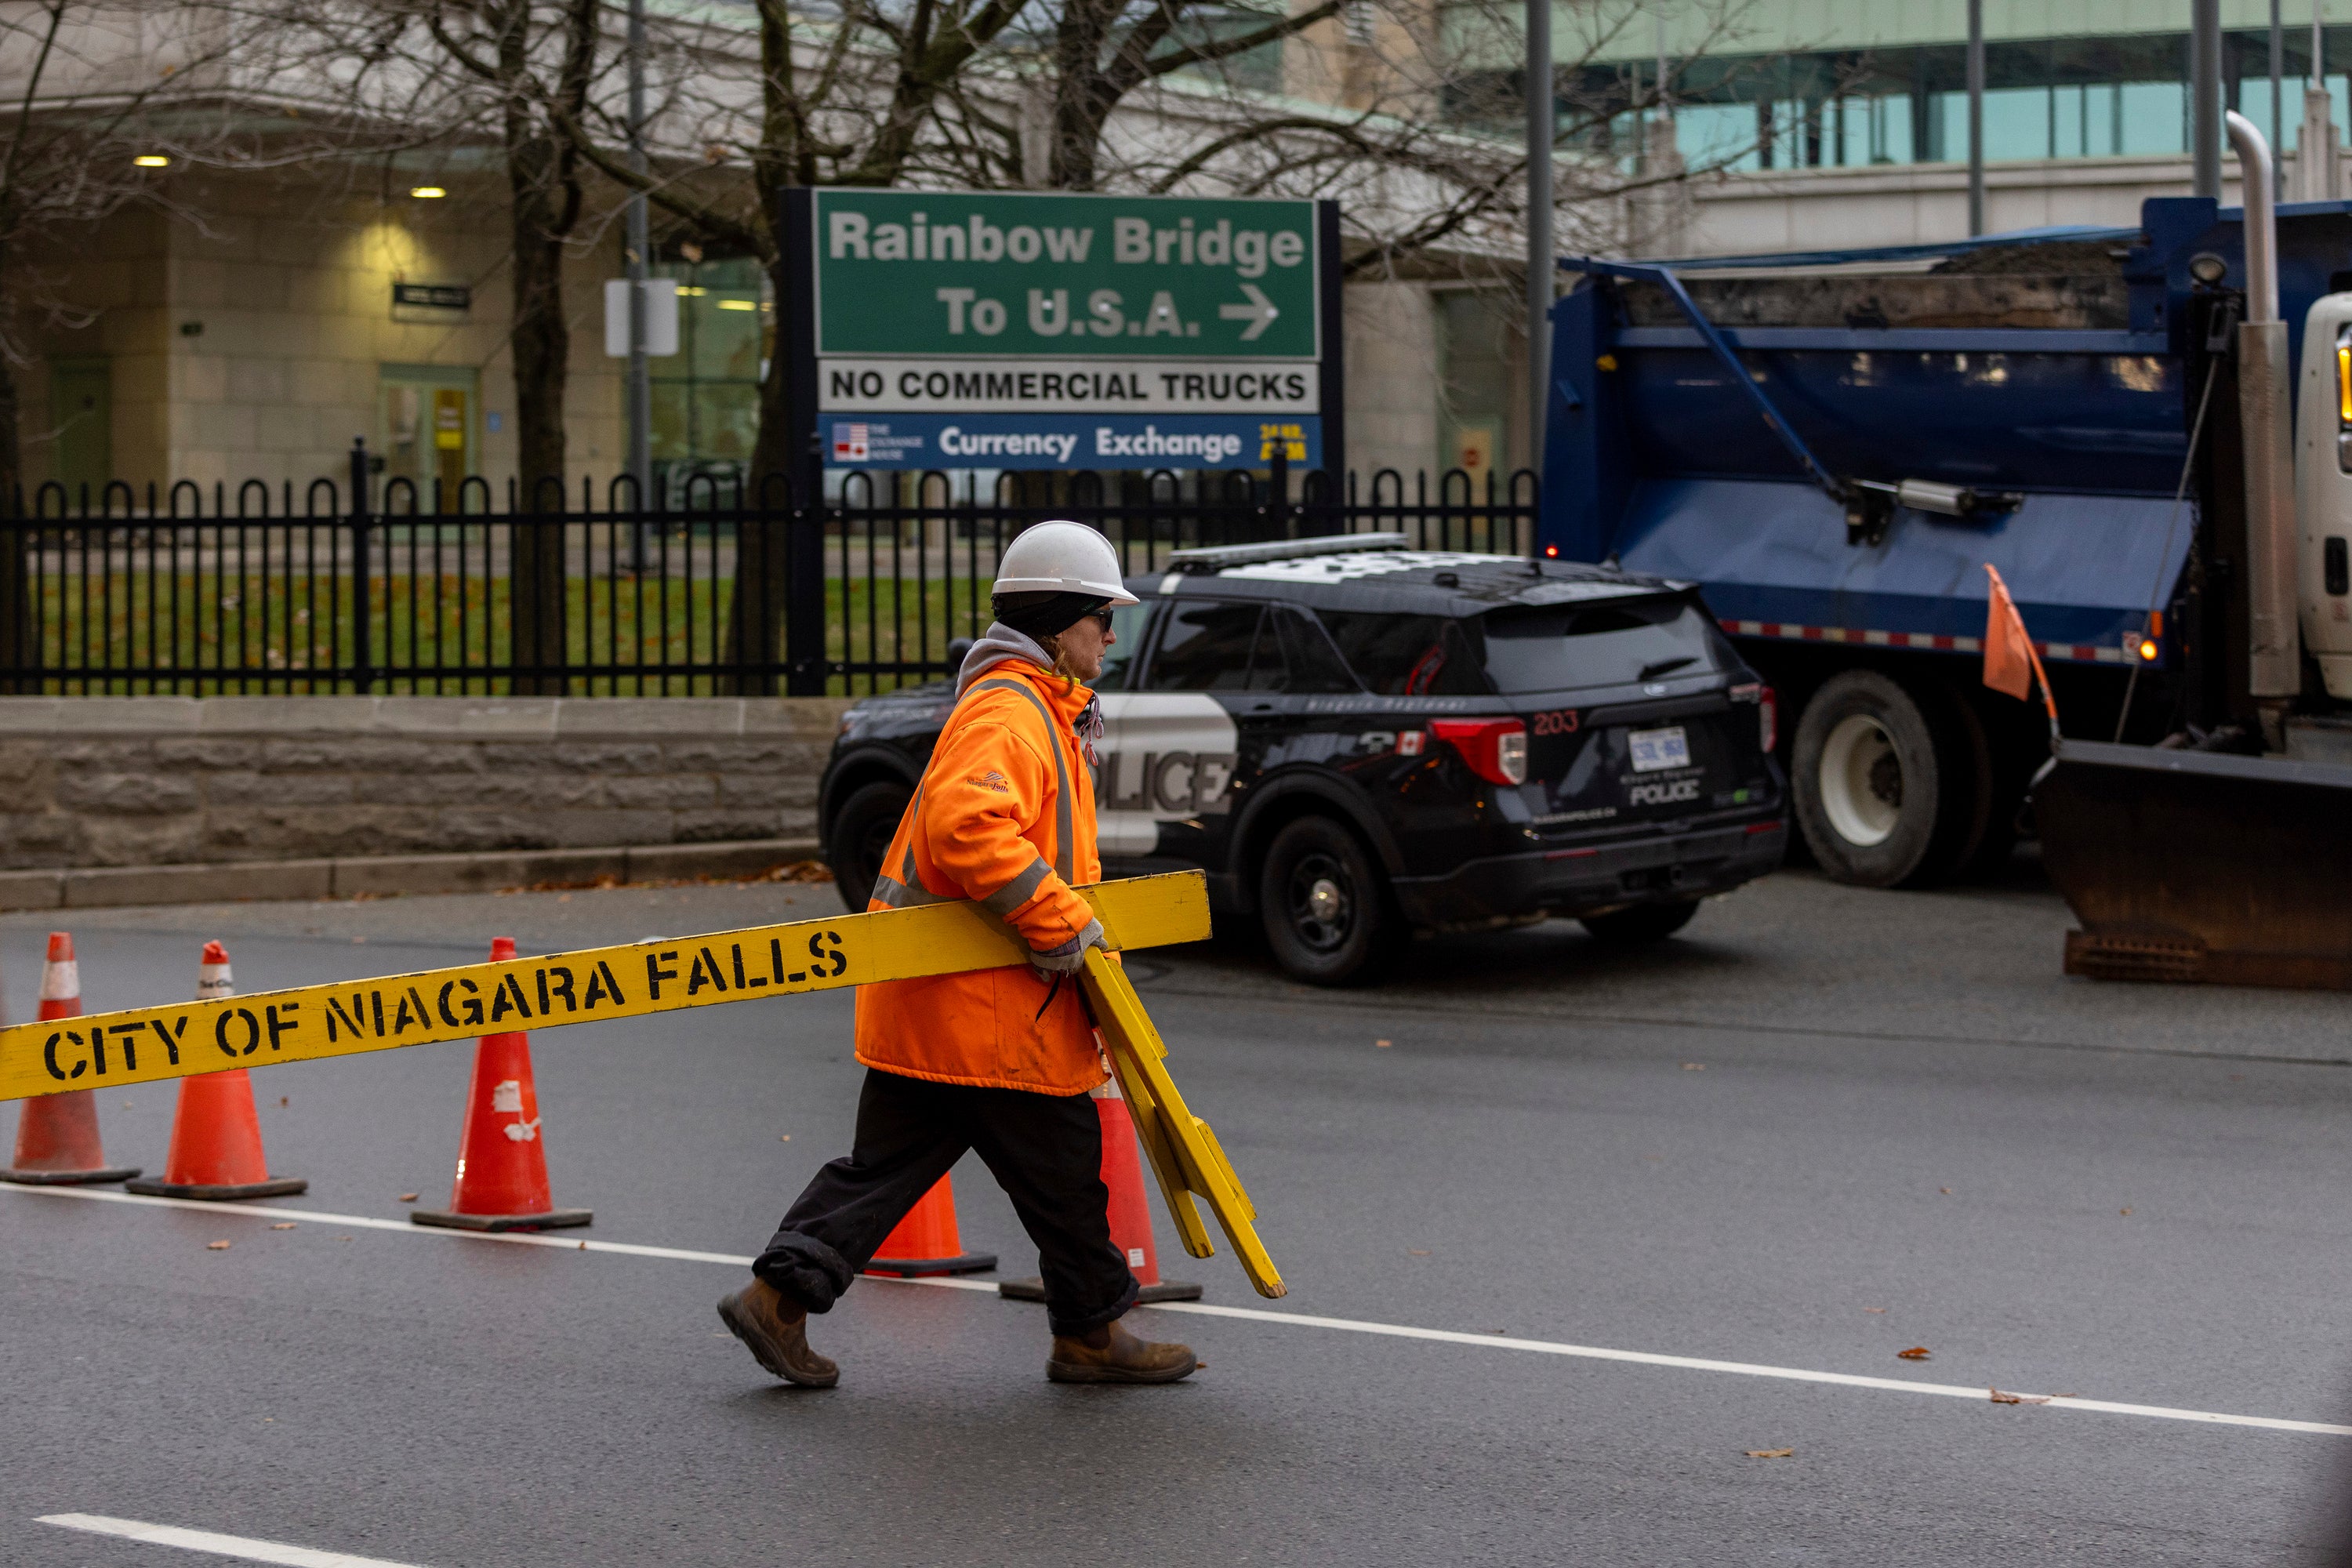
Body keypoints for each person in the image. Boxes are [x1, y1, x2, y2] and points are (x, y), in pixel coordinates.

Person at [717, 521, 1198, 1388]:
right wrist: (1061, 921)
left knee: (885, 1171)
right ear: (1060, 623)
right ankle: (1090, 1333)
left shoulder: (1027, 705)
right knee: (1065, 1178)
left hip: (944, 1005)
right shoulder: (1013, 712)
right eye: (1101, 617)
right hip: (991, 1015)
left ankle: (775, 1298)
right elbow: (967, 826)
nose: (1111, 635)